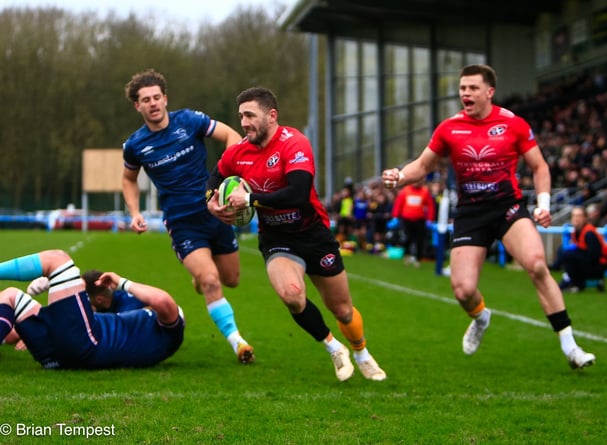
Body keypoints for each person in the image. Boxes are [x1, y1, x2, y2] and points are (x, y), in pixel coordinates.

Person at [381, 64, 596, 369]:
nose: (465, 94)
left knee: (536, 265)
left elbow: (540, 167)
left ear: (489, 92)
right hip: (470, 213)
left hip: (507, 208)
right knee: (463, 290)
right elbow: (423, 165)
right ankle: (481, 317)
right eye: (462, 88)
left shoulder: (514, 124)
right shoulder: (449, 128)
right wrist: (399, 176)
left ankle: (571, 347)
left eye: (472, 88)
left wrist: (544, 204)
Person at [207, 86, 386, 382]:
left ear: (272, 116)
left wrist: (250, 200)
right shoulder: (239, 152)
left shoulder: (294, 143)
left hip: (313, 234)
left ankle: (361, 351)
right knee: (292, 296)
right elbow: (215, 175)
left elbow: (299, 193)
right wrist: (210, 201)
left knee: (342, 309)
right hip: (277, 239)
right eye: (241, 117)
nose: (244, 123)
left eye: (250, 115)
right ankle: (333, 347)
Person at [122, 69, 254, 364]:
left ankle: (200, 278)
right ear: (138, 106)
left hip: (218, 212)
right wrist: (134, 213)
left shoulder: (190, 120)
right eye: (146, 100)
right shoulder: (136, 145)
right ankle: (238, 342)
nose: (153, 103)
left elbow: (231, 136)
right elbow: (129, 179)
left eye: (157, 97)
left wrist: (229, 178)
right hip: (182, 222)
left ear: (165, 99)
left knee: (230, 279)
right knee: (210, 280)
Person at [0, 250, 184, 369]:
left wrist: (122, 282)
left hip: (86, 345)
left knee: (57, 260)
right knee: (11, 296)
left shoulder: (168, 331)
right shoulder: (153, 338)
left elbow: (162, 300)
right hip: (56, 356)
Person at [553, 206, 607, 292]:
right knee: (563, 251)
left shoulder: (589, 233)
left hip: (598, 265)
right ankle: (572, 281)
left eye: (579, 216)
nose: (576, 219)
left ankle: (576, 283)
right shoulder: (576, 232)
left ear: (585, 218)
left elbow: (594, 255)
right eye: (574, 216)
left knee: (567, 255)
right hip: (590, 262)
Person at [392, 178, 436, 267]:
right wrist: (395, 217)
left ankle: (418, 259)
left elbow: (430, 206)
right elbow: (398, 204)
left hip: (419, 220)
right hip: (407, 219)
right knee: (407, 238)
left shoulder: (425, 192)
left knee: (419, 240)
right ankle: (407, 256)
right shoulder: (406, 191)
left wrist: (430, 219)